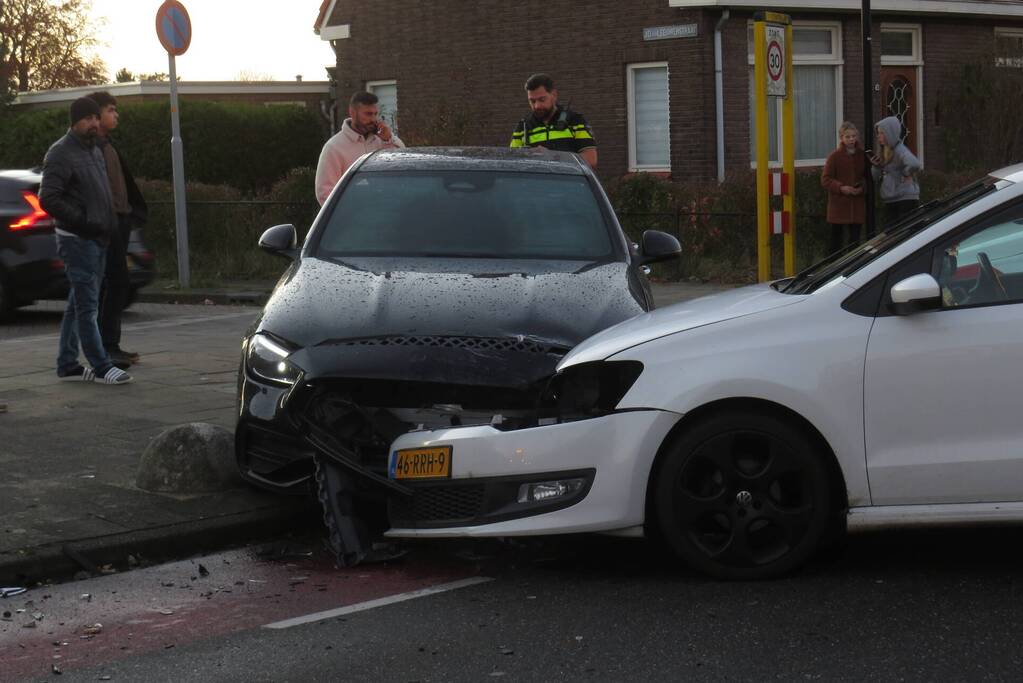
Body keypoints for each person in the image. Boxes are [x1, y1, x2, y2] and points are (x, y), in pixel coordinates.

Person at [39, 97, 133, 385]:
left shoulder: (93, 149)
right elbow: (48, 198)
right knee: (87, 306)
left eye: (95, 118)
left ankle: (67, 364)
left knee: (78, 302)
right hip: (77, 239)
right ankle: (101, 366)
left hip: (98, 237)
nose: (93, 123)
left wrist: (107, 224)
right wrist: (83, 221)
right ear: (75, 121)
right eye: (87, 119)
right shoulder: (60, 153)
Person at [88, 91, 148, 367]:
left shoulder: (108, 146)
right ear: (96, 115)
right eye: (110, 110)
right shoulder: (92, 150)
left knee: (114, 283)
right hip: (106, 225)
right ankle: (106, 347)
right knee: (114, 283)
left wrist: (130, 214)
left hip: (120, 222)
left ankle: (110, 345)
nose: (116, 115)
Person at [314, 91, 404, 205]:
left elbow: (402, 163)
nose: (373, 119)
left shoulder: (382, 139)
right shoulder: (334, 147)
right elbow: (325, 193)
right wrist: (354, 211)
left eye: (375, 114)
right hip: (353, 214)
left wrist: (388, 139)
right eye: (368, 114)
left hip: (387, 209)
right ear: (352, 112)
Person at [510, 73, 597, 169]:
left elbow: (591, 160)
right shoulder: (522, 127)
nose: (537, 106)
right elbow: (511, 163)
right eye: (532, 101)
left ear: (554, 95)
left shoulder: (575, 121)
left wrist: (552, 156)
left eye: (542, 99)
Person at [821, 121, 868, 253]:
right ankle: (834, 263)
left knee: (855, 241)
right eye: (848, 137)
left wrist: (862, 188)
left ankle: (854, 264)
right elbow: (825, 179)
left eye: (854, 136)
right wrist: (841, 188)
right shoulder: (834, 157)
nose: (851, 139)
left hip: (856, 204)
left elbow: (867, 177)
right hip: (839, 206)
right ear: (841, 138)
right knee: (836, 241)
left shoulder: (862, 155)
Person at [869, 116, 922, 227]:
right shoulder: (883, 151)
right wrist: (876, 167)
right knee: (891, 232)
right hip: (891, 199)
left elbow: (915, 164)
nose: (878, 136)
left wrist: (906, 173)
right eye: (878, 133)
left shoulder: (900, 150)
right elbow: (875, 177)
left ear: (890, 133)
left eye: (882, 133)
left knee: (903, 232)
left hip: (904, 199)